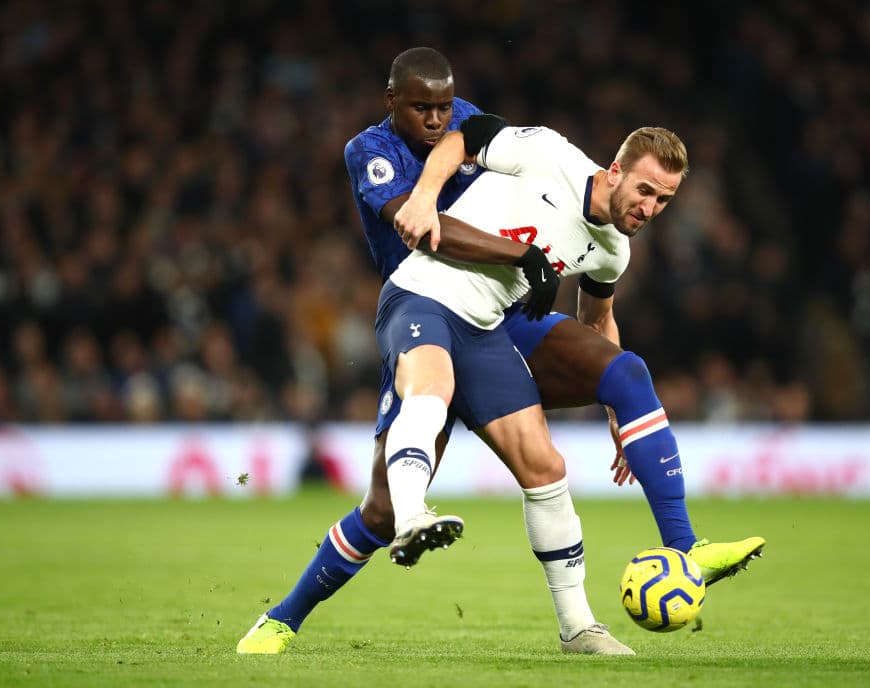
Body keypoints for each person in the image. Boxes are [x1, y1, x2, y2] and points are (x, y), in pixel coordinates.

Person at [238, 47, 762, 657]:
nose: (649, 209)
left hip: (489, 328)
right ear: (615, 170)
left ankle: (582, 625)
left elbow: (596, 323)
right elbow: (460, 149)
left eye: (663, 201)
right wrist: (437, 201)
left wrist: (619, 412)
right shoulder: (547, 155)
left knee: (549, 464)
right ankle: (293, 610)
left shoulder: (612, 249)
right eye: (645, 191)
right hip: (422, 297)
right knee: (387, 496)